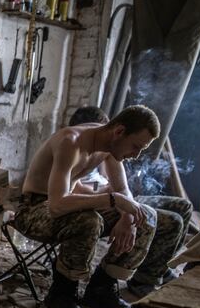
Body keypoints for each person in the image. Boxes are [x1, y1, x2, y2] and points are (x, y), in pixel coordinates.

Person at [14, 105, 160, 308]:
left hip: (66, 204)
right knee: (89, 220)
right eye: (136, 147)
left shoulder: (110, 145)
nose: (136, 155)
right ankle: (62, 293)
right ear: (119, 132)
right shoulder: (70, 142)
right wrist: (113, 200)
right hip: (33, 209)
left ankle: (102, 288)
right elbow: (56, 205)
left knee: (144, 216)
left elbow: (123, 190)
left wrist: (127, 218)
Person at [68, 106, 193, 297]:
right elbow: (74, 192)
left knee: (183, 206)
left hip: (116, 198)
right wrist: (109, 195)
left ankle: (159, 265)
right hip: (99, 201)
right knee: (169, 220)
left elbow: (117, 183)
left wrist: (123, 200)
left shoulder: (106, 149)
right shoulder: (73, 148)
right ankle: (141, 279)